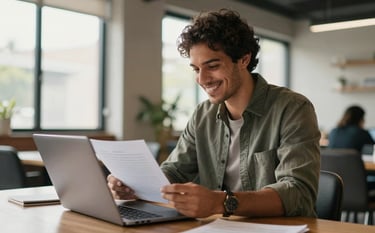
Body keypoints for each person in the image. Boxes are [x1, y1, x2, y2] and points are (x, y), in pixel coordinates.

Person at [107, 9, 321, 218]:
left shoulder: (293, 108)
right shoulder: (203, 114)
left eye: (213, 66)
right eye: (196, 69)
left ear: (244, 60)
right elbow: (176, 172)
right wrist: (135, 184)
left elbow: (298, 193)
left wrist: (220, 202)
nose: (202, 79)